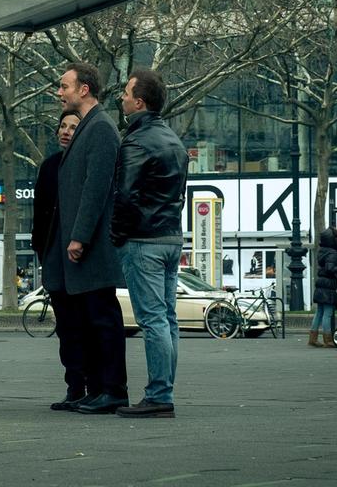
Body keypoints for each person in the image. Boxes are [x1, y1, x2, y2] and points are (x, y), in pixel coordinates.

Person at [46, 62, 127, 415]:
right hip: (84, 246)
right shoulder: (91, 128)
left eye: (64, 86)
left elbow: (96, 188)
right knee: (92, 321)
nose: (59, 92)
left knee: (103, 320)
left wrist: (79, 237)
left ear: (84, 89)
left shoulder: (101, 129)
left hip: (92, 248)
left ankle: (113, 390)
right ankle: (98, 389)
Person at [110, 70, 188, 418]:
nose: (122, 98)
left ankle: (159, 395)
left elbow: (125, 194)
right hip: (171, 237)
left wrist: (117, 233)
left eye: (126, 93)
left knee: (153, 319)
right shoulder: (173, 140)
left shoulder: (136, 141)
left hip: (143, 240)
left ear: (139, 101)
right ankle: (163, 390)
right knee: (167, 318)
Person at [31, 108, 81, 408]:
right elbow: (40, 212)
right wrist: (40, 248)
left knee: (83, 323)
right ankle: (74, 385)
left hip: (78, 257)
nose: (65, 132)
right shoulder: (49, 166)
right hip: (54, 255)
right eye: (62, 126)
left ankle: (90, 384)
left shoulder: (85, 163)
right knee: (65, 326)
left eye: (73, 127)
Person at [308, 226, 337, 348]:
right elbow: (330, 269)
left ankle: (313, 338)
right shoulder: (332, 252)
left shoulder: (322, 250)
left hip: (321, 283)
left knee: (319, 313)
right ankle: (328, 339)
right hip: (328, 285)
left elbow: (326, 267)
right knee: (328, 313)